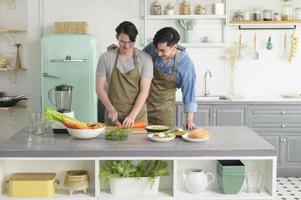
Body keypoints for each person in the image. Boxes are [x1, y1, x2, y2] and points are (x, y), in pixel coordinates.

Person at [96, 21, 153, 128]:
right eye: (122, 41)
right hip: (113, 117)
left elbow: (144, 90)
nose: (127, 46)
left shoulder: (145, 59)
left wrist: (132, 116)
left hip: (137, 118)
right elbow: (99, 88)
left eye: (131, 42)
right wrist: (111, 109)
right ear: (117, 37)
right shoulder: (105, 58)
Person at [143, 27, 197, 130]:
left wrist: (189, 120)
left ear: (174, 47)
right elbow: (137, 60)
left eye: (162, 51)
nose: (158, 53)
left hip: (165, 111)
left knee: (164, 140)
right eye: (157, 49)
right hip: (144, 106)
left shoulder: (185, 64)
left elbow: (189, 94)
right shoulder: (151, 49)